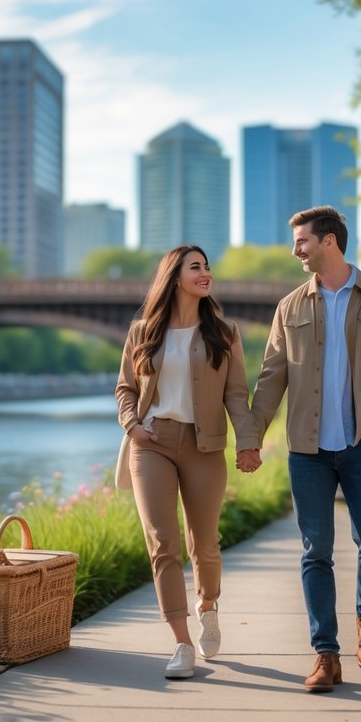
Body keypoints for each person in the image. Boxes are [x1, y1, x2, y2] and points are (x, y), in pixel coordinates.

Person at [241, 206, 361, 693]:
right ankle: (325, 654)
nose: (296, 250)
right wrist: (251, 438)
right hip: (308, 452)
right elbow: (271, 378)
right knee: (315, 550)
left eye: (302, 241)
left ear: (329, 243)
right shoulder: (290, 307)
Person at [115, 245, 262, 680]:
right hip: (152, 443)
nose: (206, 273)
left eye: (207, 266)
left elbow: (236, 393)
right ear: (174, 276)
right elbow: (125, 387)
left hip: (205, 445)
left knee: (205, 543)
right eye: (195, 267)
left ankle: (208, 604)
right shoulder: (143, 331)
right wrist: (132, 425)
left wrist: (247, 443)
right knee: (163, 544)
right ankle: (181, 643)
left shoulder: (224, 332)